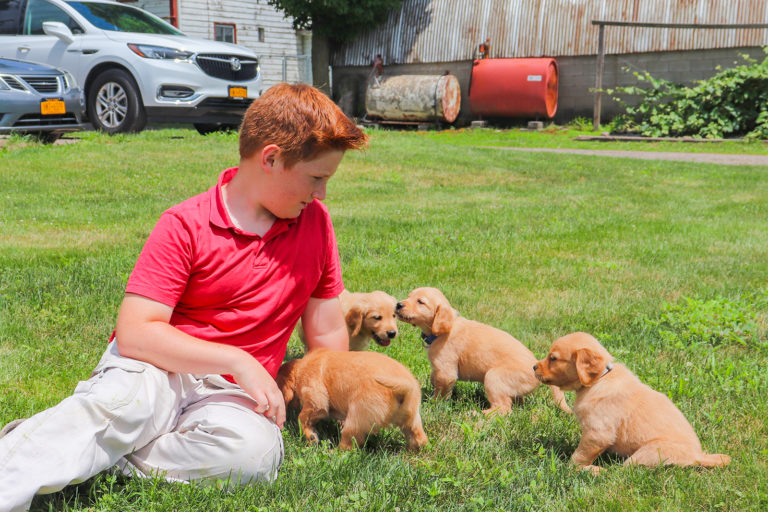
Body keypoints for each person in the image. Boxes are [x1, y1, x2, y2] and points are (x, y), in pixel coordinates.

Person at [0, 83, 368, 512]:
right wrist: (237, 359)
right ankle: (38, 461)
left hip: (232, 395)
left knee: (252, 457)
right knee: (123, 408)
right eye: (317, 178)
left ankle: (75, 447)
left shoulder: (316, 226)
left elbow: (325, 333)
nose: (321, 194)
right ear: (270, 158)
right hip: (157, 367)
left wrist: (342, 396)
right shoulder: (184, 224)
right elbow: (136, 334)